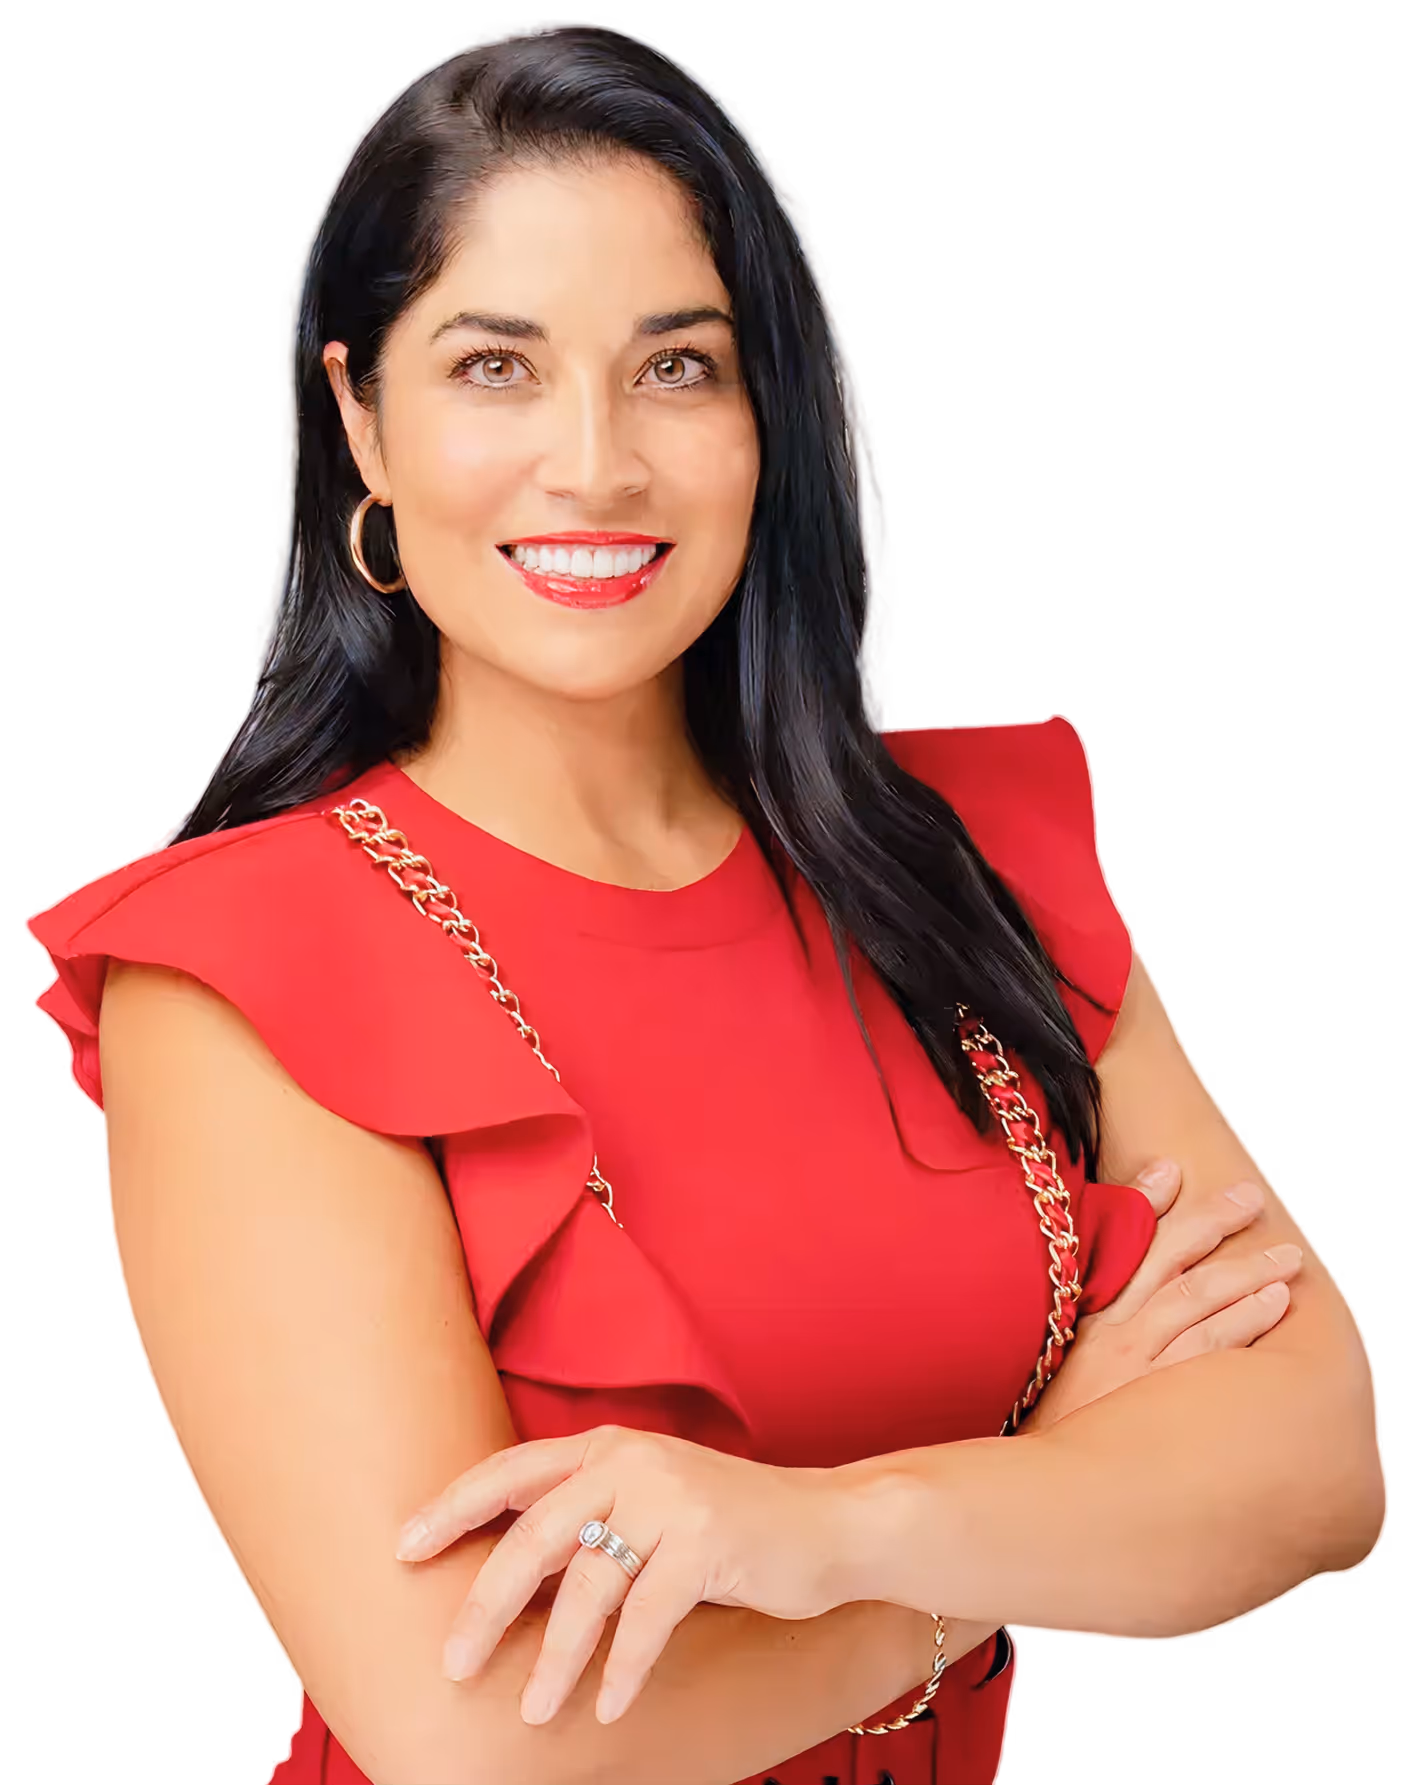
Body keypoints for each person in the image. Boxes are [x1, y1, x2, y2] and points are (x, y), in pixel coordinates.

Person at [21, 23, 1337, 1786]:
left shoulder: (982, 857)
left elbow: (1317, 1462)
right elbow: (472, 1732)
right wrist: (1008, 1547)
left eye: (677, 368)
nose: (594, 466)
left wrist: (822, 1532)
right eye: (494, 366)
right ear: (361, 423)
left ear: (767, 417)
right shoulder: (248, 967)